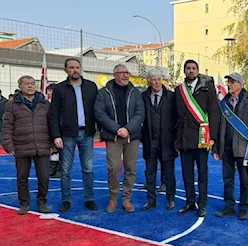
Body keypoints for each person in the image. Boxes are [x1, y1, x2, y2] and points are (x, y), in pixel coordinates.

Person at [94, 64, 145, 213]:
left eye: (126, 73)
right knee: (114, 168)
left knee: (131, 168)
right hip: (113, 136)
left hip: (132, 136)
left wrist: (128, 129)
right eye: (121, 73)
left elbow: (140, 113)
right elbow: (100, 113)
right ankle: (113, 197)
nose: (125, 75)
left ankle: (126, 198)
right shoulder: (104, 93)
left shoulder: (135, 92)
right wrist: (117, 129)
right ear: (114, 74)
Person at [50, 58, 99, 213]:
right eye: (71, 67)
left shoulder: (91, 87)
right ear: (65, 70)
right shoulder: (59, 89)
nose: (75, 70)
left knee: (88, 169)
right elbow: (53, 114)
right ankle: (66, 200)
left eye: (77, 67)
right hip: (67, 135)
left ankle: (89, 199)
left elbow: (98, 111)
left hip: (87, 133)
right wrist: (56, 135)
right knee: (65, 170)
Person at [175, 60, 220, 217]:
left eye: (194, 68)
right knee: (187, 174)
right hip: (184, 139)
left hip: (201, 139)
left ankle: (202, 204)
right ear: (184, 71)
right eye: (188, 68)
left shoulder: (207, 89)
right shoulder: (179, 90)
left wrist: (212, 138)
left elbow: (214, 113)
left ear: (198, 71)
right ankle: (190, 202)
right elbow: (175, 115)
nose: (191, 71)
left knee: (202, 174)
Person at [2, 76, 51, 215]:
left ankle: (42, 202)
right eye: (26, 84)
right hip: (21, 146)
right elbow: (7, 126)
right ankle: (24, 203)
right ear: (20, 86)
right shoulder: (12, 104)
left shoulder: (44, 103)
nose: (30, 86)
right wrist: (8, 144)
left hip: (42, 145)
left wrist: (53, 141)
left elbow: (52, 123)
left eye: (32, 83)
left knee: (44, 177)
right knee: (22, 177)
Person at [213, 72, 248, 220]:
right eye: (228, 82)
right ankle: (229, 206)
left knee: (245, 180)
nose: (229, 85)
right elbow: (219, 126)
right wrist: (216, 148)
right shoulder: (223, 102)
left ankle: (243, 208)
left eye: (232, 82)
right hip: (226, 147)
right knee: (227, 179)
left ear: (240, 84)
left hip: (243, 148)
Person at [140, 68, 177, 211]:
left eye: (159, 79)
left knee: (169, 173)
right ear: (148, 81)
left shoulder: (172, 97)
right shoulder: (143, 96)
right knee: (150, 173)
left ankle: (170, 199)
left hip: (167, 142)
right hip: (150, 141)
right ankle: (151, 200)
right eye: (153, 79)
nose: (157, 82)